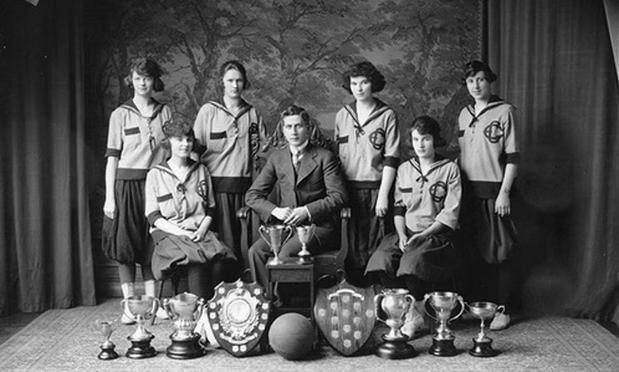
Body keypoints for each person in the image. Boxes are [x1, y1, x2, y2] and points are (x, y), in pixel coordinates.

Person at [246, 105, 348, 290]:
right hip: (286, 228)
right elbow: (252, 196)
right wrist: (276, 211)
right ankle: (265, 301)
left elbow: (339, 196)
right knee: (256, 252)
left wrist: (307, 211)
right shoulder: (277, 158)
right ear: (283, 130)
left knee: (286, 254)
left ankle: (283, 306)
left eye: (298, 126)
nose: (293, 131)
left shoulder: (325, 157)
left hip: (318, 228)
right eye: (288, 127)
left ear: (308, 128)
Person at [101, 57, 171, 324]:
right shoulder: (119, 114)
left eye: (148, 78)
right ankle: (130, 307)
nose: (143, 83)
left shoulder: (165, 112)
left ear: (155, 81)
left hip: (155, 184)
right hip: (126, 186)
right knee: (126, 245)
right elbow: (112, 159)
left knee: (152, 244)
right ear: (131, 79)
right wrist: (110, 197)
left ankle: (153, 304)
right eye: (138, 77)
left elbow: (173, 151)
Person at [365, 116, 461, 301]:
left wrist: (423, 236)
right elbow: (399, 208)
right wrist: (402, 235)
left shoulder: (449, 169)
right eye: (416, 139)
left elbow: (450, 213)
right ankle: (403, 306)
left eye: (426, 139)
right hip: (407, 233)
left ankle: (416, 308)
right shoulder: (404, 169)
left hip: (434, 236)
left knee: (412, 262)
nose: (421, 144)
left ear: (435, 140)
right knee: (381, 259)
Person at [144, 120, 237, 300]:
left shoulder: (201, 170)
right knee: (197, 261)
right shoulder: (156, 174)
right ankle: (196, 316)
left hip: (199, 233)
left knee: (220, 261)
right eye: (179, 139)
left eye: (188, 140)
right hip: (169, 234)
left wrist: (202, 230)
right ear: (168, 142)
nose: (185, 144)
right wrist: (181, 232)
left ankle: (213, 312)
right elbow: (153, 216)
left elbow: (210, 208)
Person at [457, 60, 519, 330]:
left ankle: (503, 309)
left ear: (489, 81)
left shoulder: (505, 111)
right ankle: (482, 307)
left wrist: (504, 192)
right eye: (471, 81)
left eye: (481, 80)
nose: (476, 85)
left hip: (495, 190)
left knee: (499, 251)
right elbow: (462, 156)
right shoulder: (463, 113)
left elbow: (513, 156)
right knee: (473, 252)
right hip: (469, 193)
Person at [193, 60, 268, 265]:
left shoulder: (252, 113)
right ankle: (222, 291)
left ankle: (247, 288)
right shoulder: (208, 111)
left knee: (246, 241)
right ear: (222, 82)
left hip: (246, 189)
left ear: (245, 83)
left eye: (239, 81)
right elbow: (194, 154)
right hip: (215, 189)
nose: (235, 85)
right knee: (222, 244)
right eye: (230, 80)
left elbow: (264, 151)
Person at [334, 61, 400, 285]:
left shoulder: (387, 115)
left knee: (376, 241)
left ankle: (379, 293)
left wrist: (383, 194)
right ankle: (354, 294)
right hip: (347, 190)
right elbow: (336, 158)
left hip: (376, 188)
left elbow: (391, 158)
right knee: (351, 243)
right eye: (354, 83)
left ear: (374, 84)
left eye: (364, 83)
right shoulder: (343, 115)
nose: (359, 88)